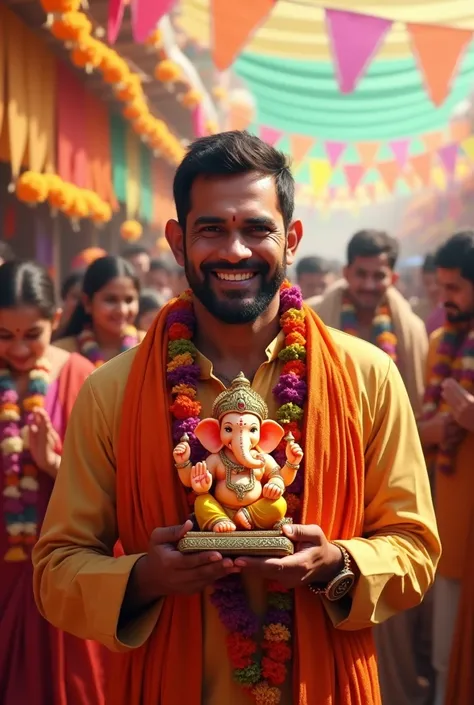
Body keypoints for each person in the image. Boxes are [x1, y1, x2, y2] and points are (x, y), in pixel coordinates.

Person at [32, 131, 440, 705]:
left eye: (256, 229)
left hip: (321, 685)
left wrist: (337, 563)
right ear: (178, 241)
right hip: (167, 683)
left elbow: (416, 545)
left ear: (291, 239)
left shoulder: (366, 377)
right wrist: (146, 578)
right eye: (211, 229)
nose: (235, 251)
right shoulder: (113, 391)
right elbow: (56, 568)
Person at [0, 260, 106, 704]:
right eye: (4, 336)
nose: (20, 350)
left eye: (32, 334)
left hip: (63, 560)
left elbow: (107, 487)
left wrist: (52, 464)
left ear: (56, 320)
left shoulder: (83, 376)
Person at [418, 232, 474, 705]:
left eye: (454, 289)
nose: (444, 300)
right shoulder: (439, 343)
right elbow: (417, 425)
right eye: (441, 289)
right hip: (449, 527)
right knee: (444, 656)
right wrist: (431, 432)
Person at [311, 230, 428, 415]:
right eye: (361, 274)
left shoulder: (413, 330)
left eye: (379, 276)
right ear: (346, 273)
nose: (369, 285)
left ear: (393, 278)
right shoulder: (311, 317)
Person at [54, 256, 143, 367]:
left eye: (129, 300)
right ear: (87, 302)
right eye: (111, 300)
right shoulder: (62, 353)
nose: (122, 310)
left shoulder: (153, 347)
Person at [412, 254, 445, 335]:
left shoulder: (453, 310)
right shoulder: (416, 311)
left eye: (437, 282)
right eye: (427, 283)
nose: (432, 288)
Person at [54, 270, 84, 340]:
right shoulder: (50, 327)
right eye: (75, 297)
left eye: (84, 299)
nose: (79, 303)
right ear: (64, 297)